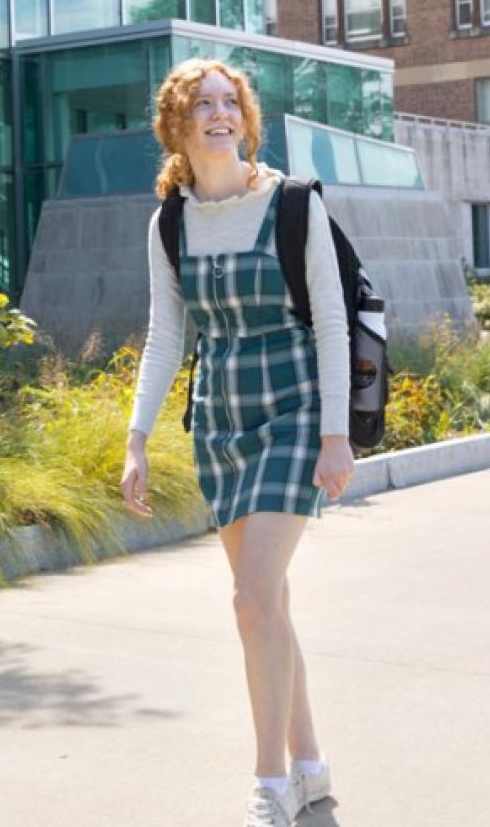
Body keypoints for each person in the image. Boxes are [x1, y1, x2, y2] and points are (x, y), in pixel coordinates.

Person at [120, 59, 357, 827]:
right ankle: (311, 763)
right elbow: (166, 336)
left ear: (246, 119)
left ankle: (270, 781)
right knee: (269, 606)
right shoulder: (169, 224)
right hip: (220, 425)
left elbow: (331, 321)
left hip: (292, 414)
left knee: (250, 599)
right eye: (203, 104)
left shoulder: (292, 205)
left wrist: (335, 436)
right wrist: (137, 438)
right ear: (178, 126)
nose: (220, 114)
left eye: (231, 102)